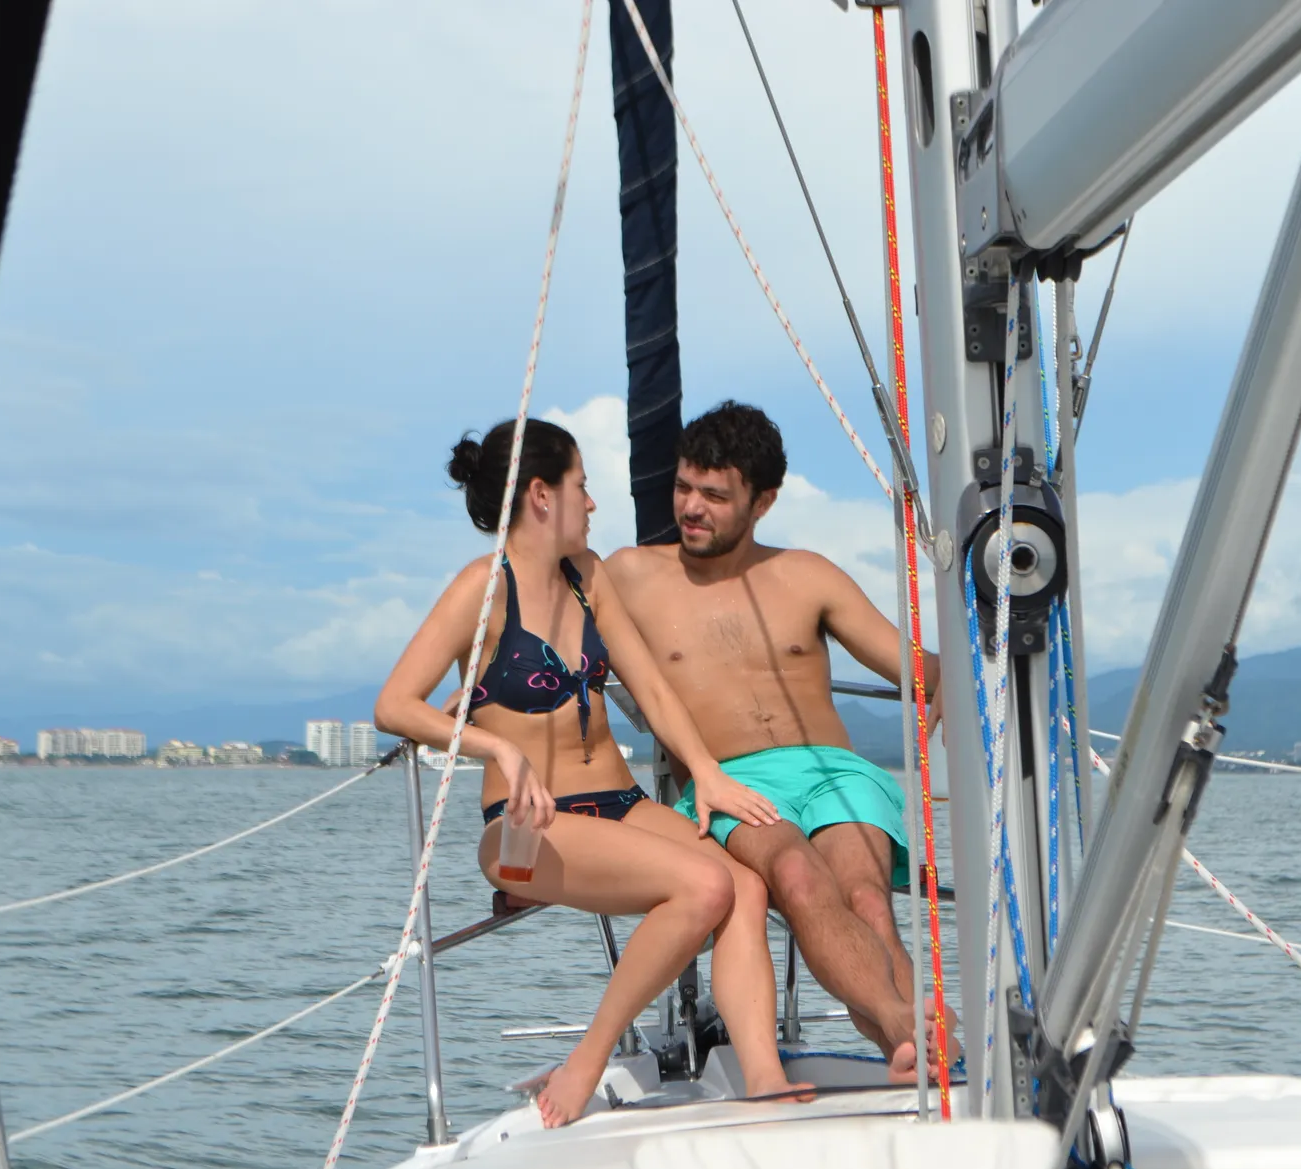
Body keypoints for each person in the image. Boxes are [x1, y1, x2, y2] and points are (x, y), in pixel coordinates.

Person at [375, 416, 795, 1127]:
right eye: (582, 486)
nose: (592, 504)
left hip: (619, 802)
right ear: (542, 496)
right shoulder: (482, 590)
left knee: (747, 886)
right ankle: (587, 1059)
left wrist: (707, 773)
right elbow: (394, 704)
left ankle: (765, 1080)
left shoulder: (588, 576)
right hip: (523, 831)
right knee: (704, 885)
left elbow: (652, 688)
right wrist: (495, 748)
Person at [606, 400, 957, 1081]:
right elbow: (543, 626)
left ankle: (914, 1054)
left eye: (715, 494)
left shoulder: (807, 574)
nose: (692, 508)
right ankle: (909, 1029)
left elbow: (925, 671)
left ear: (762, 501)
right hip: (733, 778)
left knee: (865, 898)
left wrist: (951, 741)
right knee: (796, 874)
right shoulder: (632, 575)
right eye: (684, 488)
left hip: (835, 771)